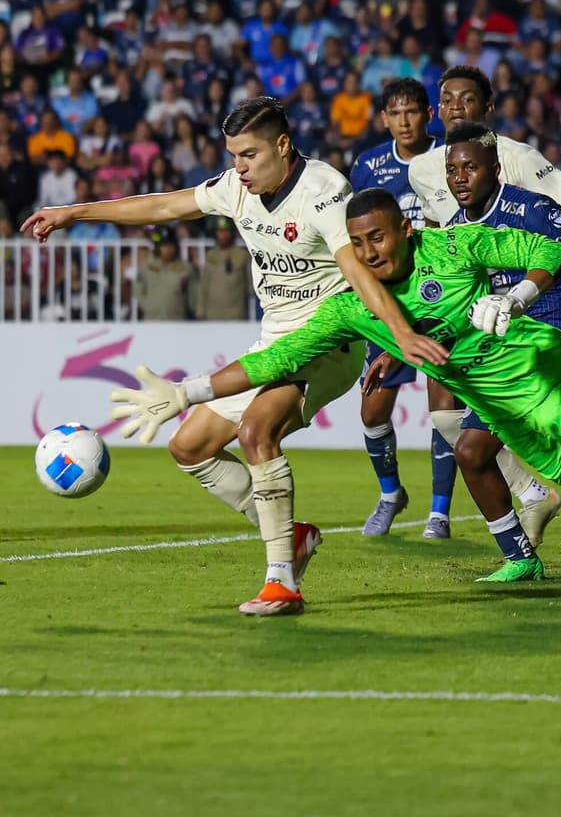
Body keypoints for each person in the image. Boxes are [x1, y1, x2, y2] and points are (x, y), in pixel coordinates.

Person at [112, 189, 561, 616]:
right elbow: (273, 361)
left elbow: (544, 247)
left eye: (378, 237)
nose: (368, 251)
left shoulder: (456, 249)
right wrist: (188, 392)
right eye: (357, 244)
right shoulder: (353, 308)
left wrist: (514, 295)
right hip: (521, 423)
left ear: (405, 230)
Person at [22, 96, 446, 618]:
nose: (238, 168)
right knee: (189, 447)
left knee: (255, 432)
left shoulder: (323, 191)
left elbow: (356, 270)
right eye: (233, 155)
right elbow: (161, 206)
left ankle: (281, 582)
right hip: (273, 341)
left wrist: (399, 333)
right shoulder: (235, 188)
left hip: (327, 341)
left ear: (283, 146)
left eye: (248, 155)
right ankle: (293, 537)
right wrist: (73, 213)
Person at [407, 65, 561, 555]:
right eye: (448, 99)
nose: (457, 106)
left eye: (467, 99)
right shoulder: (425, 172)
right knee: (456, 428)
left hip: (555, 318)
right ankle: (529, 505)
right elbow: (451, 249)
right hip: (503, 330)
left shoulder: (520, 163)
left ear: (488, 110)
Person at [349, 78, 454, 539]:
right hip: (387, 302)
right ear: (385, 119)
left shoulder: (448, 157)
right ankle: (391, 493)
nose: (405, 120)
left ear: (427, 115)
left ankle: (439, 512)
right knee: (372, 412)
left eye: (413, 111)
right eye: (396, 113)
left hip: (438, 293)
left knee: (443, 409)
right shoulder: (368, 165)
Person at [136, 225, 198, 320]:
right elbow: (138, 291)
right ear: (157, 247)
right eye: (164, 245)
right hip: (152, 321)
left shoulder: (186, 269)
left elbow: (193, 297)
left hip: (177, 321)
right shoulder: (147, 267)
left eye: (170, 245)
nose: (168, 249)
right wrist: (149, 307)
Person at [196, 217, 253, 320]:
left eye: (226, 231)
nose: (223, 235)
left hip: (236, 315)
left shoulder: (243, 255)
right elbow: (204, 285)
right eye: (220, 231)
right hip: (212, 315)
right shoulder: (210, 255)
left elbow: (251, 287)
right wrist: (201, 311)